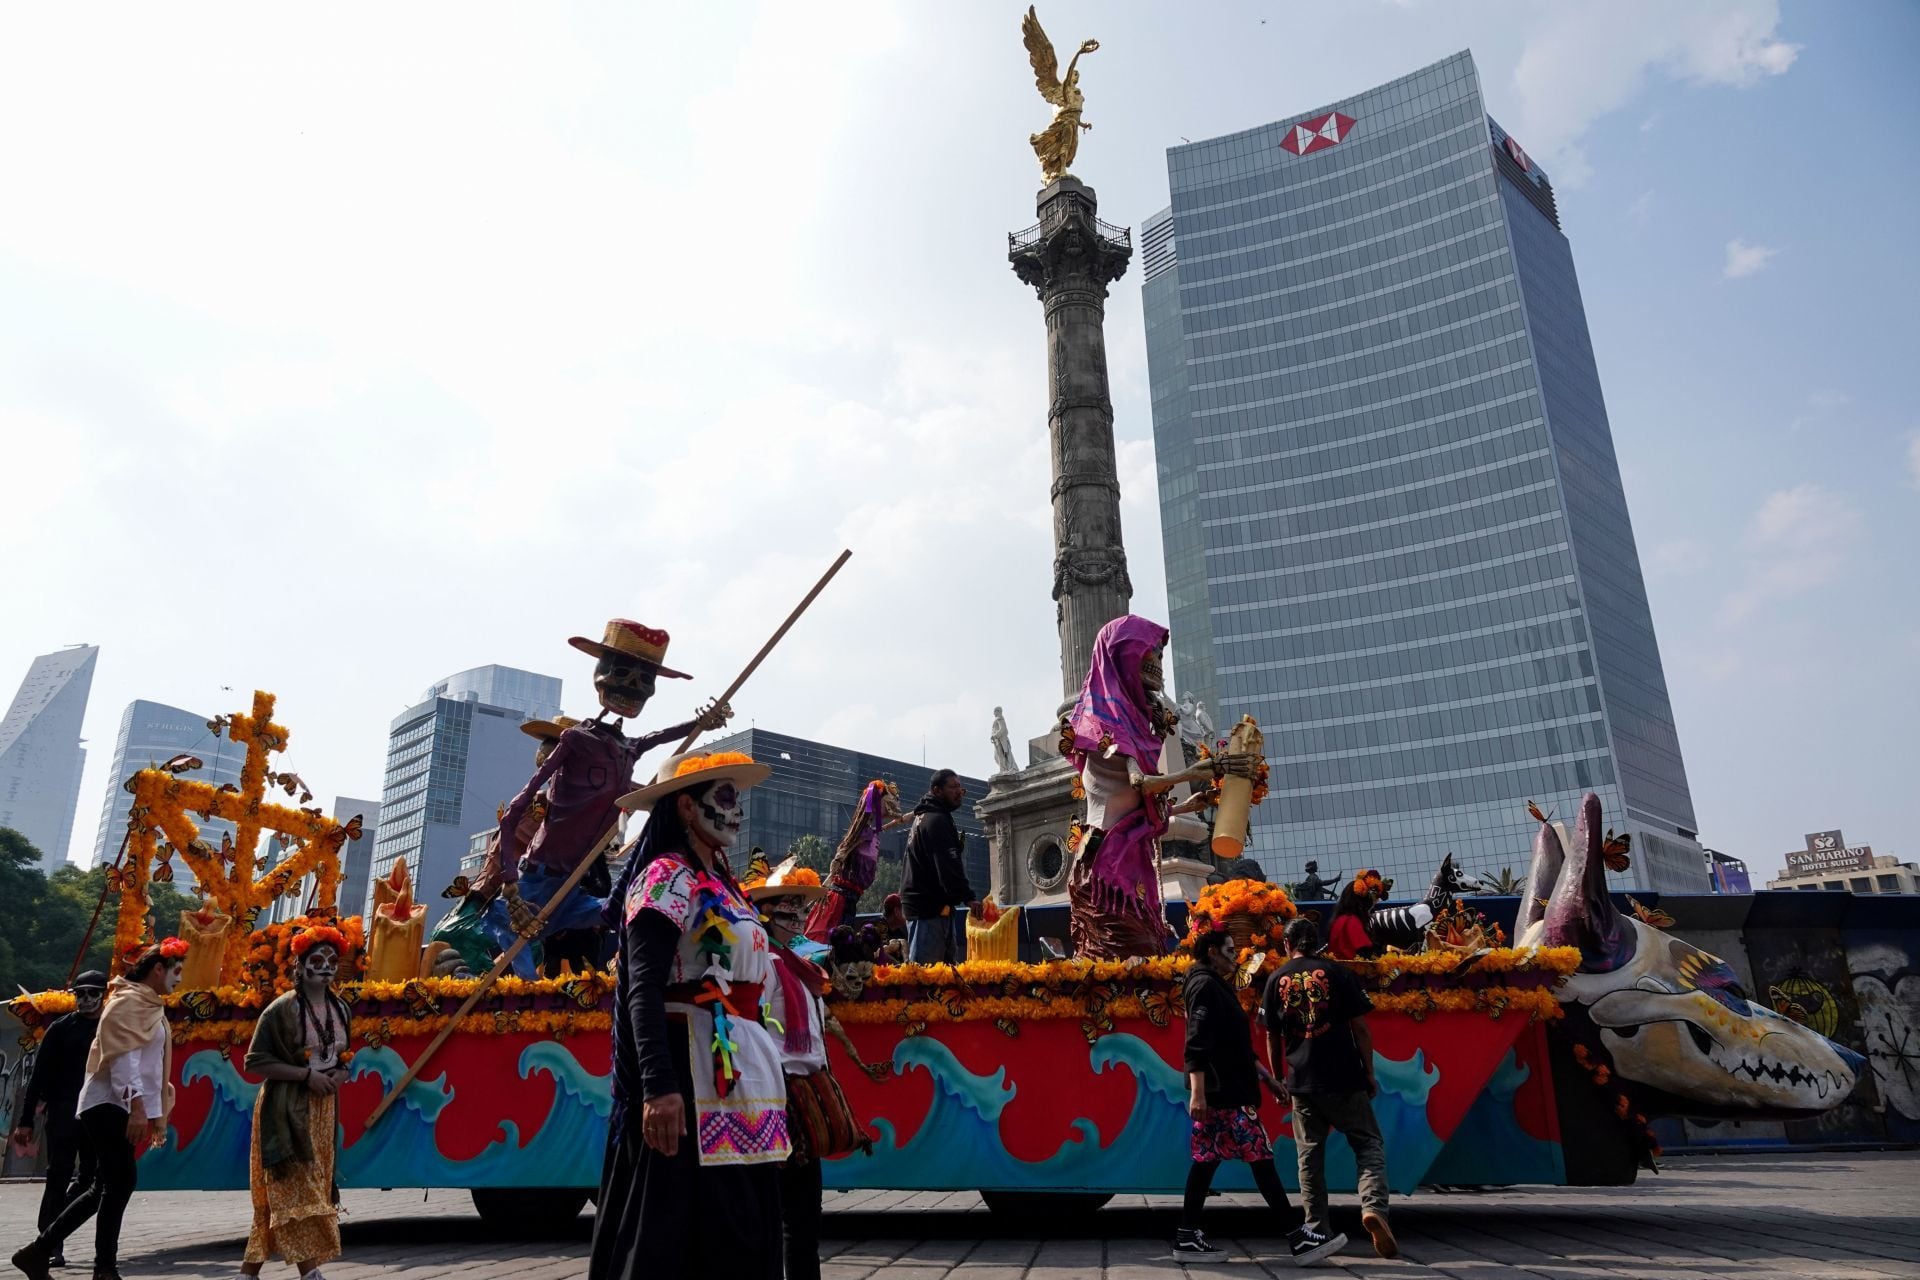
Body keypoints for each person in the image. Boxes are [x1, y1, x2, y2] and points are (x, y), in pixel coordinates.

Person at [590, 751, 790, 1280]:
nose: (736, 813)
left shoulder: (724, 885)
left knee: (747, 1227)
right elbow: (642, 985)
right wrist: (657, 1086)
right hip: (687, 1072)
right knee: (680, 1233)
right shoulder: (666, 878)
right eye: (724, 798)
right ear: (685, 806)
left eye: (737, 800)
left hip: (739, 1074)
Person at [1061, 616, 1255, 959]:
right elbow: (1141, 784)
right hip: (1107, 863)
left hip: (1124, 858)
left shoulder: (1132, 725)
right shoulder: (1106, 723)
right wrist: (1193, 771)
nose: (1158, 663)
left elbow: (1134, 802)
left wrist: (1186, 804)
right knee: (1121, 955)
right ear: (1121, 658)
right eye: (1147, 653)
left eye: (1160, 655)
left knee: (1141, 951)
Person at [13, 940, 186, 1280]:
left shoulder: (149, 1004)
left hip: (120, 1103)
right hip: (108, 1103)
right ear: (158, 970)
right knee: (117, 1182)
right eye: (177, 971)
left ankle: (39, 1252)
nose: (181, 979)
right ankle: (101, 1267)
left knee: (104, 1186)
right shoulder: (127, 1002)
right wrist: (138, 1108)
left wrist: (154, 1110)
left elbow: (152, 1063)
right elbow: (123, 1057)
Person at [747, 859, 884, 1280]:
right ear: (767, 918)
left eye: (802, 912)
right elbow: (756, 1030)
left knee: (806, 1218)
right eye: (790, 914)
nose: (800, 920)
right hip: (782, 1097)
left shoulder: (799, 966)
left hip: (807, 1091)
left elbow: (821, 1028)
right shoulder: (764, 965)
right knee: (787, 1216)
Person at [1176, 928, 1343, 1266]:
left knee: (1207, 1162)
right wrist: (1198, 1094)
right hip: (1224, 1094)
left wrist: (1267, 1079)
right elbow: (1197, 1042)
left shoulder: (1214, 983)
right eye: (1228, 950)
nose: (1234, 956)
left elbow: (1236, 1045)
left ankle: (1187, 1235)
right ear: (1211, 951)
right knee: (1260, 1158)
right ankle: (1296, 1237)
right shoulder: (1205, 985)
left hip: (1227, 1090)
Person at [1262, 917, 1396, 1260]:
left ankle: (1318, 1226)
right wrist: (1369, 1072)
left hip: (1303, 1081)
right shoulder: (1337, 973)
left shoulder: (1276, 979)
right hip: (1345, 1076)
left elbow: (1271, 1035)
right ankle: (1373, 1208)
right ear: (1316, 942)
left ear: (1288, 945)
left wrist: (1278, 1079)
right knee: (1367, 1143)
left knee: (1310, 1156)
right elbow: (1361, 1028)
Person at [239, 925, 354, 1279]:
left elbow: (344, 1058)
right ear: (300, 966)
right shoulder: (281, 1009)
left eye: (332, 960)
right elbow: (255, 1061)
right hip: (286, 1108)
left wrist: (339, 1075)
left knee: (308, 1187)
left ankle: (248, 1273)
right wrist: (306, 1076)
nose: (325, 967)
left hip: (323, 1110)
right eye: (317, 960)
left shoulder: (341, 1008)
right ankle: (310, 1272)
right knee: (293, 1187)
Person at [9, 972, 106, 1266]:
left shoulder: (111, 1028)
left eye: (92, 993)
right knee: (58, 1175)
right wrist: (26, 1120)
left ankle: (53, 1227)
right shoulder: (61, 1029)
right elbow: (38, 1077)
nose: (86, 999)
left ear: (104, 995)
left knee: (92, 1182)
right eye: (80, 993)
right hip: (63, 1111)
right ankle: (50, 1245)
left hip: (99, 1112)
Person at [899, 770, 979, 964]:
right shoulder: (936, 821)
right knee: (930, 980)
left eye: (961, 788)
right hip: (928, 912)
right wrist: (968, 898)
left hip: (927, 909)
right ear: (937, 790)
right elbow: (948, 866)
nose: (959, 792)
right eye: (953, 787)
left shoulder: (926, 817)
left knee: (941, 981)